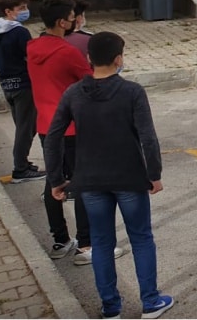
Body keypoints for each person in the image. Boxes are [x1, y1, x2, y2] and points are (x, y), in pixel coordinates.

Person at [45, 32, 168, 318]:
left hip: (89, 180)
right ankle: (150, 301)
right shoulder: (132, 92)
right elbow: (147, 137)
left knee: (101, 242)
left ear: (88, 59)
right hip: (129, 178)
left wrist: (55, 178)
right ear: (118, 59)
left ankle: (111, 307)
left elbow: (53, 138)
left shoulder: (73, 93)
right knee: (140, 238)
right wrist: (154, 173)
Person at [28, 0, 93, 262]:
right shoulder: (66, 52)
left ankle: (60, 240)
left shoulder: (32, 47)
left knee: (53, 181)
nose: (74, 20)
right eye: (71, 16)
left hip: (46, 125)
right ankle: (87, 245)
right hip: (72, 127)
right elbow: (91, 79)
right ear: (60, 22)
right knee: (83, 184)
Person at [0, 0, 44, 183]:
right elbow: (31, 56)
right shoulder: (19, 31)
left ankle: (23, 162)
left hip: (7, 84)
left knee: (24, 125)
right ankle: (20, 169)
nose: (25, 11)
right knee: (27, 126)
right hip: (24, 84)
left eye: (26, 7)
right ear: (8, 11)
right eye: (21, 8)